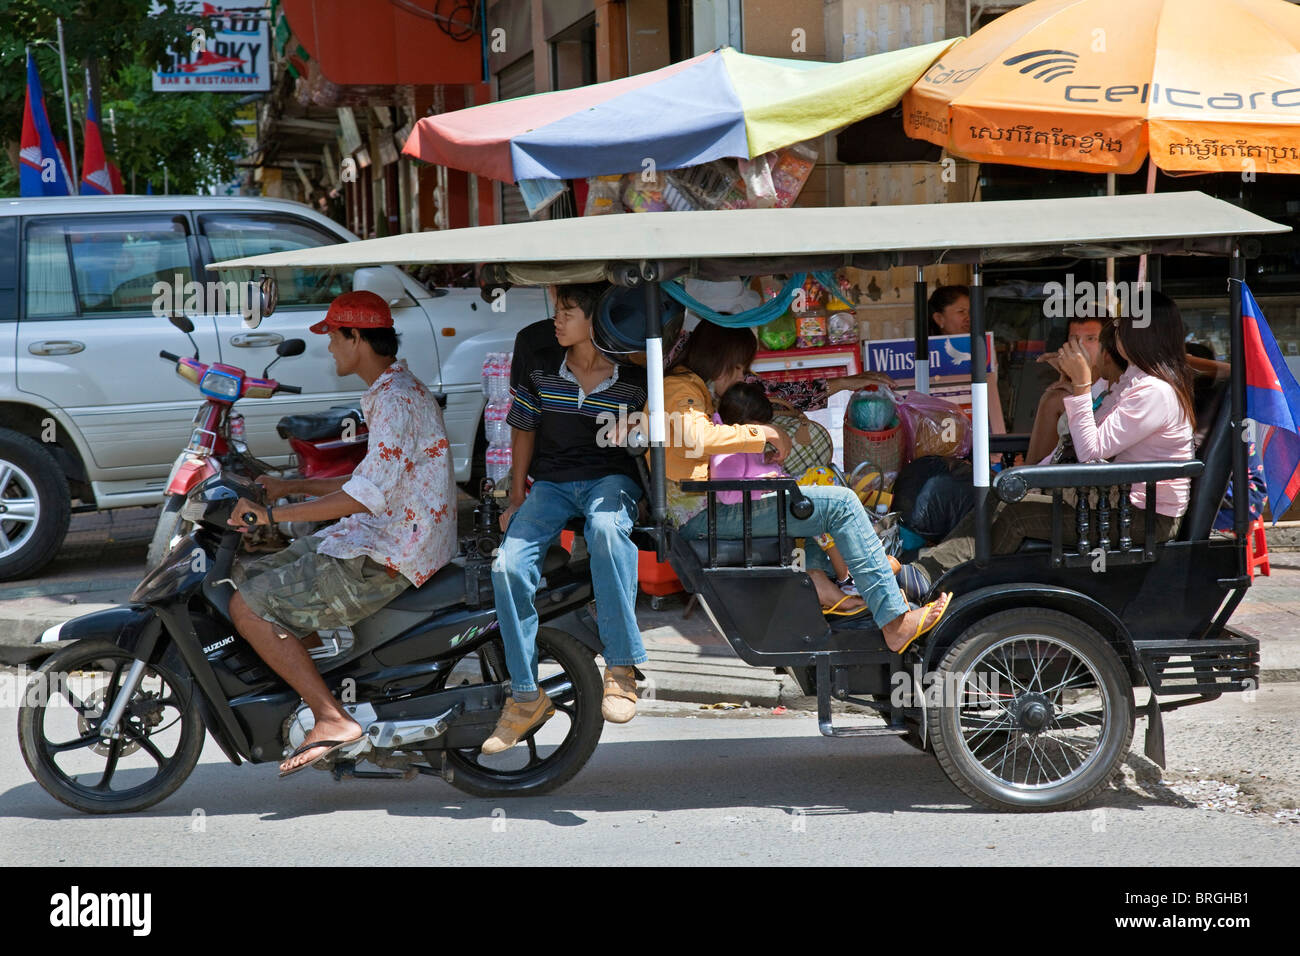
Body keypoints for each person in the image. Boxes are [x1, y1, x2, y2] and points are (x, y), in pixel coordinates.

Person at [227, 290, 456, 776]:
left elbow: (362, 497)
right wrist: (293, 486)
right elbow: (372, 482)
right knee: (256, 574)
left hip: (387, 553)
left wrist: (271, 517)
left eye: (333, 336)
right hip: (381, 536)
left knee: (245, 606)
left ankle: (331, 717)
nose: (329, 347)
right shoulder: (393, 391)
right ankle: (311, 691)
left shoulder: (395, 401)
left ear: (357, 337)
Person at [665, 320, 952, 653]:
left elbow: (778, 393)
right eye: (740, 368)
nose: (741, 377)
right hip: (708, 514)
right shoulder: (680, 390)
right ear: (722, 361)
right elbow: (695, 437)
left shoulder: (699, 390)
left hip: (718, 505)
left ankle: (828, 583)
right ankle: (895, 621)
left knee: (821, 506)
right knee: (841, 503)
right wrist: (766, 433)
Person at [908, 292, 1196, 586]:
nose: (1117, 328)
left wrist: (1083, 385)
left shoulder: (1154, 391)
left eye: (1124, 323)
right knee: (1000, 495)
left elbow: (1091, 451)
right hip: (1116, 502)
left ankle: (945, 579)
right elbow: (1090, 431)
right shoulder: (1133, 381)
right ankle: (931, 569)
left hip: (1142, 517)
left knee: (1016, 512)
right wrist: (1076, 385)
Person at [484, 282, 650, 754]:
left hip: (610, 482)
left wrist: (640, 422)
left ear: (596, 322)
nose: (556, 321)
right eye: (558, 311)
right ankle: (524, 696)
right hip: (551, 486)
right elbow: (522, 433)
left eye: (568, 312)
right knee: (507, 567)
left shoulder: (634, 380)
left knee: (605, 529)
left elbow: (659, 425)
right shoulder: (540, 371)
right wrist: (515, 498)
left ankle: (621, 668)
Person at [711, 381, 857, 607]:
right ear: (746, 423)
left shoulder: (741, 442)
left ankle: (846, 571)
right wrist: (765, 483)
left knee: (822, 481)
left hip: (773, 495)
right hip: (760, 505)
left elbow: (749, 468)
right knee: (819, 496)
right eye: (759, 425)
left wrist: (766, 461)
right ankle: (845, 575)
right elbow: (727, 494)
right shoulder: (728, 450)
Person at [1026, 316, 1124, 464]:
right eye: (1074, 339)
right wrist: (1066, 377)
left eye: (1091, 339)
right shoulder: (1064, 388)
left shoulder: (1116, 380)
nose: (1081, 345)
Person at [927, 285, 1008, 435]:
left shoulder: (983, 349)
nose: (968, 318)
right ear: (939, 319)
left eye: (971, 312)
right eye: (961, 312)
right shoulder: (923, 355)